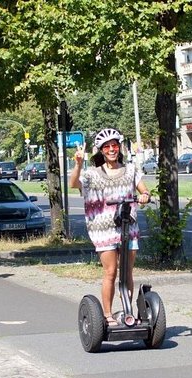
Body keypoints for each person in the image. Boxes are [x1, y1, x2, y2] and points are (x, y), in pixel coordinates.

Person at [69, 128, 151, 326]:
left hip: (128, 227)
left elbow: (144, 190)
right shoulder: (93, 174)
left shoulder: (131, 170)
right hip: (103, 230)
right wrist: (78, 164)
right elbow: (74, 184)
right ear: (101, 151)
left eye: (114, 145)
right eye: (107, 147)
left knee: (127, 272)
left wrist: (144, 196)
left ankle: (127, 311)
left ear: (119, 147)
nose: (112, 149)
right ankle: (107, 315)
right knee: (111, 271)